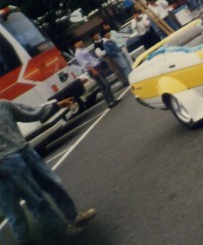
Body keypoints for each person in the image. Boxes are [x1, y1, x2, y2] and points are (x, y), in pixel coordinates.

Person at [0, 98, 96, 243]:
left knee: (54, 183)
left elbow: (29, 112)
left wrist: (55, 105)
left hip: (25, 150)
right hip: (7, 161)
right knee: (36, 200)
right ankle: (62, 233)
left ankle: (74, 217)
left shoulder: (3, 104)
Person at [74, 39, 117, 108]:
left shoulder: (83, 49)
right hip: (93, 69)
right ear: (75, 45)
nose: (81, 42)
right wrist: (93, 70)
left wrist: (97, 62)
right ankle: (109, 102)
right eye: (78, 42)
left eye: (81, 41)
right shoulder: (78, 53)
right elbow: (85, 63)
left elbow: (90, 58)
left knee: (106, 83)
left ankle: (113, 99)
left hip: (97, 67)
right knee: (104, 85)